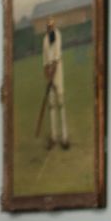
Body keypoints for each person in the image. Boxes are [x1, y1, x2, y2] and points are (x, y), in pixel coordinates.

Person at [40, 21, 69, 150]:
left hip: (58, 71)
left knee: (60, 103)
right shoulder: (45, 40)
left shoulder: (58, 35)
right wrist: (47, 73)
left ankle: (64, 137)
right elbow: (45, 61)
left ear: (54, 27)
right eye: (48, 27)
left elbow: (57, 57)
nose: (50, 29)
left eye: (51, 26)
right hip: (50, 73)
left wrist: (52, 72)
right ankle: (54, 137)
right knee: (51, 105)